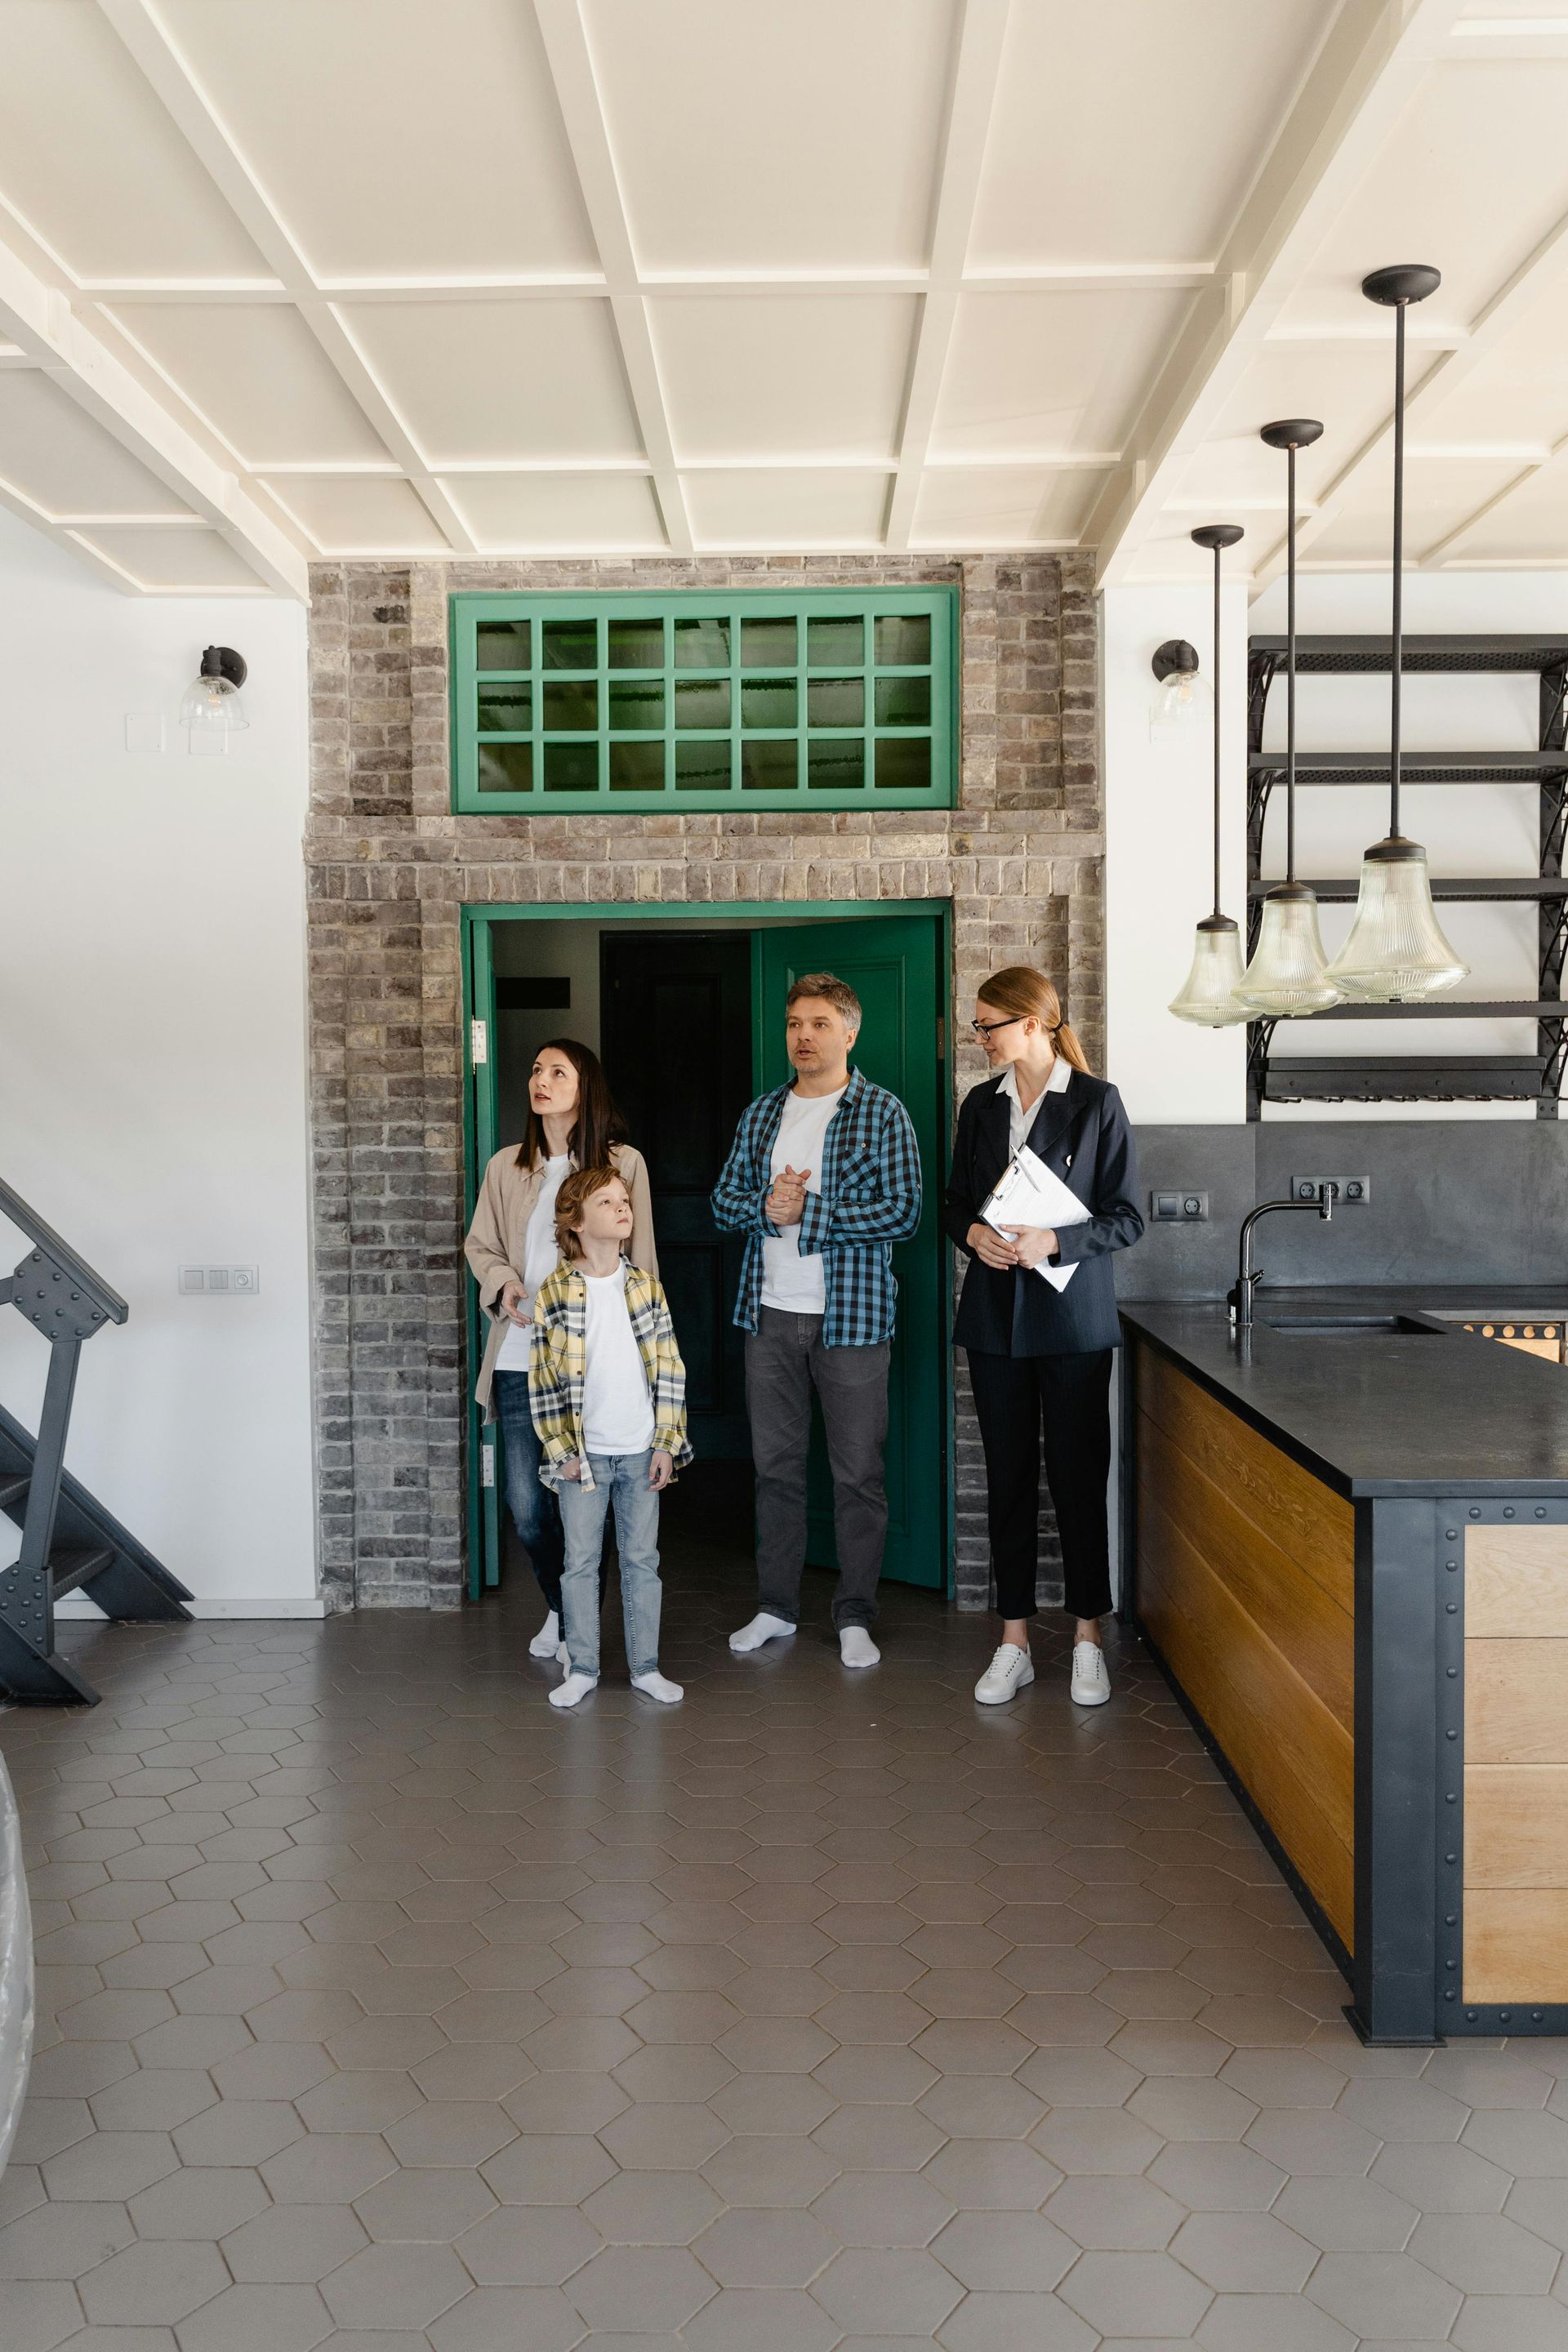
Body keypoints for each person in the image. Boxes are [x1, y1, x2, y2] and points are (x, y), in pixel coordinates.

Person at [944, 967, 1143, 1710]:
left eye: (988, 1026)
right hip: (995, 1322)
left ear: (1033, 1024)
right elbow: (954, 1202)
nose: (980, 1039)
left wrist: (1052, 1242)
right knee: (1007, 1482)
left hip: (1072, 1325)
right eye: (977, 1027)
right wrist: (972, 1234)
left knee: (1078, 1480)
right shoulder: (979, 1106)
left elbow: (1127, 1218)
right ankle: (1014, 1642)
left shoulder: (1097, 1103)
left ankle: (1089, 1639)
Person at [712, 972, 922, 1670]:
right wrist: (767, 1207)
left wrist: (812, 1212)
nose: (804, 1035)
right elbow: (722, 1203)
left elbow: (905, 1213)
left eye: (820, 1023)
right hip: (768, 1314)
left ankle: (855, 1615)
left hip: (853, 1320)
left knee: (858, 1474)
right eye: (795, 1023)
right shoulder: (762, 1114)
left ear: (850, 1032)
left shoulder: (882, 1112)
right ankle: (776, 1608)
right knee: (775, 1471)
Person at [464, 1040, 656, 1663]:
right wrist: (505, 1284)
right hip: (523, 1357)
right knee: (527, 1507)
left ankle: (579, 1630)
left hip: (601, 1363)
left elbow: (643, 1264)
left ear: (585, 1087)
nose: (539, 1081)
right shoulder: (505, 1168)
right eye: (535, 1071)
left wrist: (651, 1365)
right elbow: (480, 1248)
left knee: (589, 1501)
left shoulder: (624, 1165)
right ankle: (562, 1606)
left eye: (556, 1072)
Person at [528, 1167, 691, 1711]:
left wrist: (667, 1442)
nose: (623, 1208)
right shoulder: (554, 1292)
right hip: (586, 1456)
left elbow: (669, 1368)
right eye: (607, 1202)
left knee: (642, 1559)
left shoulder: (644, 1285)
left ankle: (645, 1666)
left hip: (641, 1448)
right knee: (579, 1561)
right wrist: (562, 1451)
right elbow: (545, 1381)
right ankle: (582, 1666)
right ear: (575, 1221)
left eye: (625, 1200)